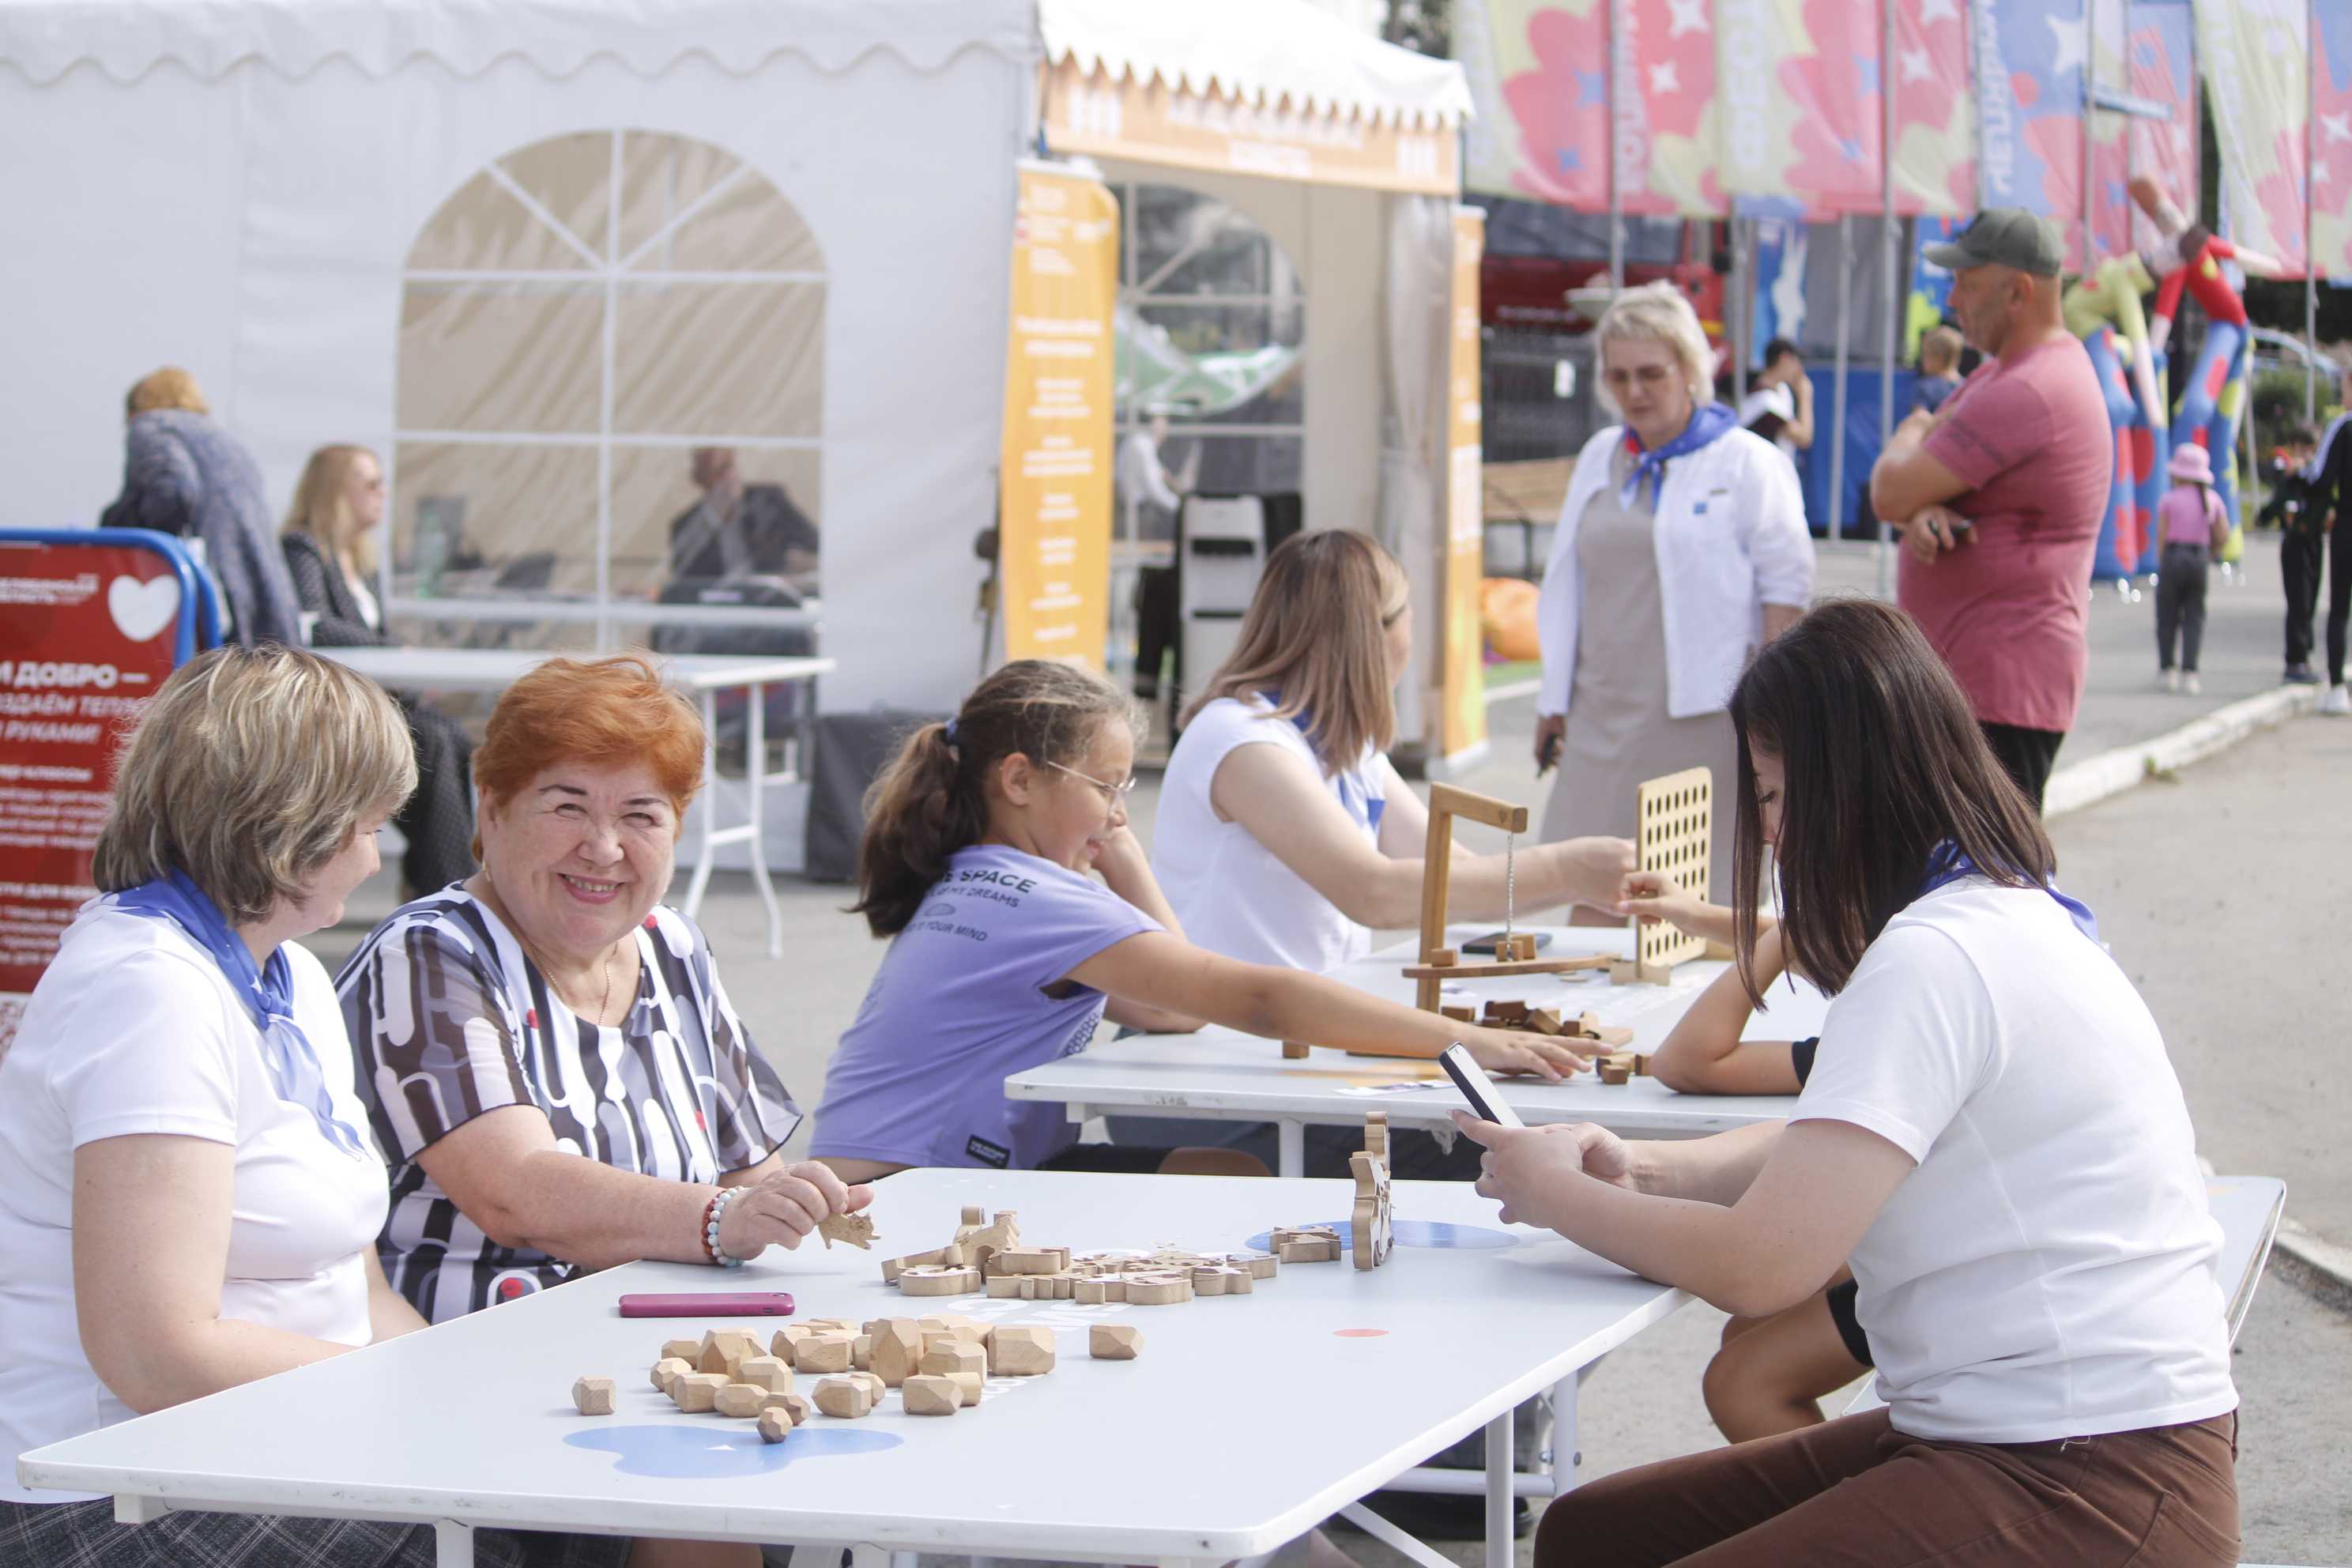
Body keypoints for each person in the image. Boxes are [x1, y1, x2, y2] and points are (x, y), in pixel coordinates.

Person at [1463, 599, 2239, 1566]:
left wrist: (1557, 1194)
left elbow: (1762, 1267)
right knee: (1591, 1533)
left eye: (1780, 796)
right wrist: (1645, 1170)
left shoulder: (1935, 956)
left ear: (1854, 790)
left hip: (2092, 1471)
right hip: (2025, 1437)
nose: (1776, 836)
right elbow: (1841, 1146)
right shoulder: (1994, 912)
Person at [0, 646, 660, 1566]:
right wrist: (425, 1401)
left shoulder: (291, 976)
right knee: (519, 1541)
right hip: (113, 1488)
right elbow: (154, 1353)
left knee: (583, 1501)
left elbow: (365, 1289)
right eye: (368, 825)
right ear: (287, 828)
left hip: (255, 1447)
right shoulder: (148, 990)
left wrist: (463, 1387)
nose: (376, 853)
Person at [808, 659, 1600, 1183]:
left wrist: (1123, 859)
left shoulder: (991, 879)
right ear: (1018, 780)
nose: (1119, 815)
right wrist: (1467, 1042)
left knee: (1225, 1173)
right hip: (907, 1192)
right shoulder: (1034, 898)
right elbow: (1255, 1000)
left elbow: (1170, 1011)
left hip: (901, 1167)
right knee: (1230, 1184)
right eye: (1107, 789)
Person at [337, 654, 861, 1325]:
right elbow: (515, 1192)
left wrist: (798, 1202)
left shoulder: (671, 944)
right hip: (472, 1363)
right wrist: (722, 1220)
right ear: (492, 812)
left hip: (659, 1351)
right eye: (567, 807)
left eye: (641, 816)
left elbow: (750, 1177)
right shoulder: (428, 954)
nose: (604, 848)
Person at [1115, 529, 1632, 1176]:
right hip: (1220, 1076)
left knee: (1536, 1141)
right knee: (1515, 1158)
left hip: (1292, 1053)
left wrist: (1584, 884)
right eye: (1406, 613)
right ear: (1375, 633)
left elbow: (1456, 877)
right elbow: (1375, 892)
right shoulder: (1242, 740)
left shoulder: (1341, 742)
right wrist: (1563, 869)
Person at [1536, 281, 1815, 906]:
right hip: (1600, 712)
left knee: (1697, 904)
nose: (1633, 392)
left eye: (1651, 374)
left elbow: (1786, 588)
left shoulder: (1748, 462)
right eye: (1618, 377)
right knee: (1587, 900)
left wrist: (1770, 716)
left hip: (1704, 718)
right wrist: (1553, 699)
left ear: (1691, 370)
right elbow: (1569, 579)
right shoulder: (1600, 455)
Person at [1615, 872, 1873, 1444]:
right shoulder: (1929, 956)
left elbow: (1686, 1062)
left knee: (1742, 1381)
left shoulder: (1893, 1018)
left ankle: (1842, 1527)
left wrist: (1782, 936)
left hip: (1985, 1265)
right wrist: (1709, 918)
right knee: (1750, 1333)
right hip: (1969, 1230)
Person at [1871, 208, 2111, 811]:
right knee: (1959, 886)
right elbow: (1910, 499)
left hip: (1997, 692)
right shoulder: (2007, 373)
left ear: (2019, 292)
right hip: (1981, 687)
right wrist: (1920, 510)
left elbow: (1889, 490)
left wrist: (1910, 435)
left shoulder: (2024, 387)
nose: (1953, 300)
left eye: (1968, 284)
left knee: (1985, 890)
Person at [281, 443, 478, 895]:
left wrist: (400, 661)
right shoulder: (303, 548)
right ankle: (446, 885)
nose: (382, 493)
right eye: (370, 482)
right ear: (335, 489)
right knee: (430, 741)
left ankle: (442, 878)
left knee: (451, 735)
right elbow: (313, 626)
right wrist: (397, 651)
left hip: (379, 701)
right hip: (332, 710)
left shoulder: (363, 564)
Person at [97, 367, 304, 646]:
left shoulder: (149, 426)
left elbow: (174, 489)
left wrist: (157, 547)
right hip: (258, 582)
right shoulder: (224, 439)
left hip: (213, 581)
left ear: (136, 407)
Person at [667, 447, 819, 586]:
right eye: (719, 472)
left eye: (730, 466)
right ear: (700, 479)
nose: (728, 476)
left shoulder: (769, 502)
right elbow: (686, 583)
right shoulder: (686, 525)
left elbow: (817, 544)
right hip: (718, 607)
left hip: (770, 602)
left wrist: (797, 565)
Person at [2153, 443, 2232, 695]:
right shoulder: (2212, 500)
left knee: (2168, 616)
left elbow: (2162, 536)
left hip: (2174, 556)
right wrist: (2212, 554)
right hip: (2199, 558)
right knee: (2194, 616)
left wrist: (2162, 561)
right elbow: (2223, 533)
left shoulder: (2169, 500)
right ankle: (2190, 671)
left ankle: (2168, 669)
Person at [2304, 370, 2352, 714]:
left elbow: (2321, 478)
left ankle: (2337, 688)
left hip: (2347, 523)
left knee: (2339, 608)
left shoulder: (2343, 426)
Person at [2257, 424, 2321, 684]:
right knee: (2299, 600)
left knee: (2311, 599)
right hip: (2294, 543)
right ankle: (2294, 660)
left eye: (2310, 450)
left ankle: (2305, 654)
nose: (2304, 455)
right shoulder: (2289, 478)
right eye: (2300, 449)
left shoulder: (2315, 476)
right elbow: (2273, 507)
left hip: (2314, 541)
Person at [1734, 337, 1815, 461]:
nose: (1800, 369)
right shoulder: (1764, 402)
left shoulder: (1781, 390)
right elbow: (1803, 438)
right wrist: (1805, 396)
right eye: (1797, 361)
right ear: (1785, 358)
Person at [1910, 326, 1965, 416]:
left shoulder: (1925, 388)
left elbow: (1918, 418)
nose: (1922, 360)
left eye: (1924, 355)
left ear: (1936, 359)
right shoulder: (1967, 386)